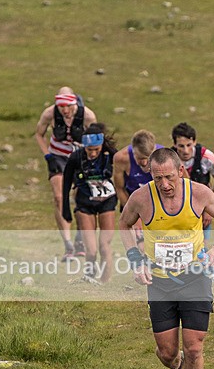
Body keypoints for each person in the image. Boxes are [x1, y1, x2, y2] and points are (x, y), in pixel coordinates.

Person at [119, 147, 214, 369]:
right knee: (168, 353)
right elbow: (123, 225)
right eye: (157, 179)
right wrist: (135, 259)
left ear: (180, 171)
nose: (164, 185)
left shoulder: (199, 193)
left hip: (195, 277)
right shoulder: (141, 197)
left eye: (169, 177)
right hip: (160, 283)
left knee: (194, 348)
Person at [34, 86, 97, 259]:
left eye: (68, 107)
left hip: (80, 157)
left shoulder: (87, 115)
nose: (65, 111)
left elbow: (96, 137)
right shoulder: (50, 113)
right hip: (58, 157)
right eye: (61, 107)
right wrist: (48, 155)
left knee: (80, 198)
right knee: (59, 197)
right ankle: (68, 245)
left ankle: (79, 240)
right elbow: (39, 134)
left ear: (74, 104)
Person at [62, 123, 118, 284]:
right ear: (84, 147)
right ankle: (90, 276)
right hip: (84, 203)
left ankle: (105, 281)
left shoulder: (110, 154)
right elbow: (65, 184)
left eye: (96, 150)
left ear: (101, 146)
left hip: (107, 201)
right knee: (92, 250)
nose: (93, 153)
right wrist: (66, 209)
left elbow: (125, 169)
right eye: (89, 150)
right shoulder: (76, 157)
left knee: (104, 245)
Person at [171, 122, 214, 236]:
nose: (186, 150)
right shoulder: (168, 158)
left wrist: (210, 208)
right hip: (176, 208)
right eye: (181, 146)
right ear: (175, 144)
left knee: (202, 245)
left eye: (189, 145)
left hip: (202, 207)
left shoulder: (206, 156)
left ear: (194, 142)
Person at [113, 129, 161, 246]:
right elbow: (120, 189)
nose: (144, 163)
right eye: (139, 158)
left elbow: (181, 183)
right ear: (133, 150)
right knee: (141, 247)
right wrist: (134, 214)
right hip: (133, 204)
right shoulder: (121, 158)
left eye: (148, 158)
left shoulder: (163, 157)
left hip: (159, 206)